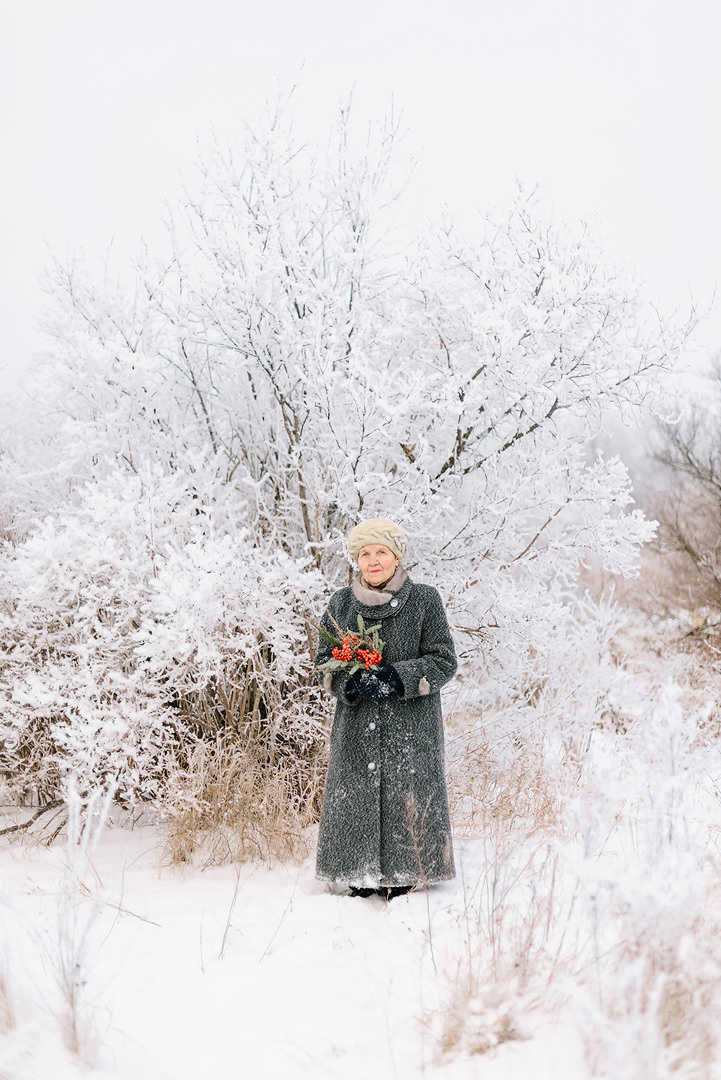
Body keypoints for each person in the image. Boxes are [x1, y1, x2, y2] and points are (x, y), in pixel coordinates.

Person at [315, 518, 457, 900]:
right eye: (365, 553)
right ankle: (356, 872)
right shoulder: (340, 604)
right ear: (356, 560)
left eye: (381, 552)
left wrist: (397, 677)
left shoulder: (424, 600)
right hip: (357, 726)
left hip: (411, 729)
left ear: (397, 557)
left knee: (406, 795)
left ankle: (406, 872)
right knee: (355, 795)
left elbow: (444, 662)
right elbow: (323, 664)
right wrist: (351, 682)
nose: (373, 560)